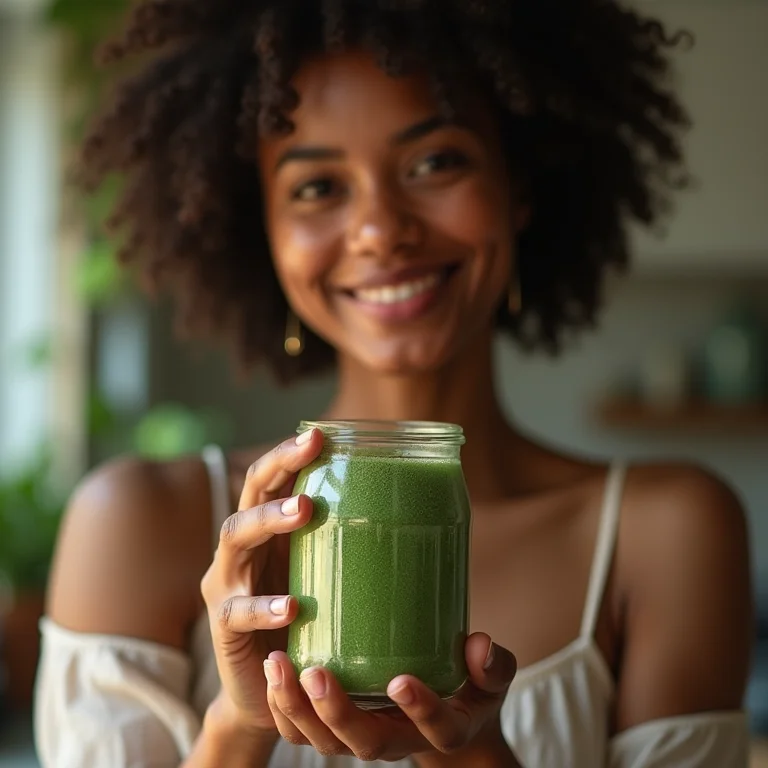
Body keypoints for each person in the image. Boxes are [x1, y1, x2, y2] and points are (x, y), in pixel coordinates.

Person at [34, 1, 754, 766]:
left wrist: (476, 757)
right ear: (265, 234)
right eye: (317, 187)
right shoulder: (140, 525)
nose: (381, 228)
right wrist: (237, 727)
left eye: (435, 162)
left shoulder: (666, 532)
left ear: (520, 190)